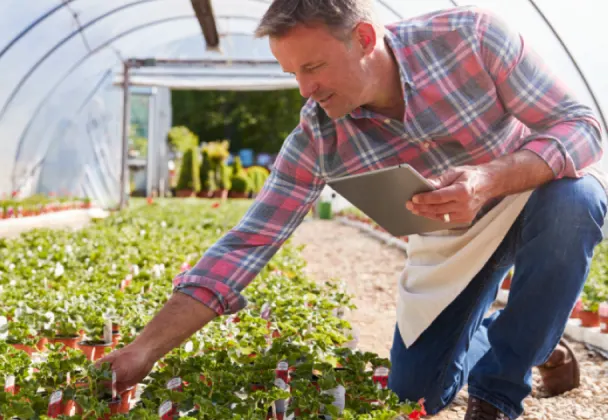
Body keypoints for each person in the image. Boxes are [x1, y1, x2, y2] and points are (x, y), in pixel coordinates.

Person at [98, 1, 608, 419]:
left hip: (527, 195)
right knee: (416, 395)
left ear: (365, 38)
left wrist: (488, 177)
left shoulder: (470, 38)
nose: (305, 89)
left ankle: (497, 395)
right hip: (447, 239)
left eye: (314, 66)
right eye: (292, 72)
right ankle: (532, 341)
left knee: (577, 199)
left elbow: (582, 126)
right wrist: (144, 350)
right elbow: (247, 243)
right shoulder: (320, 135)